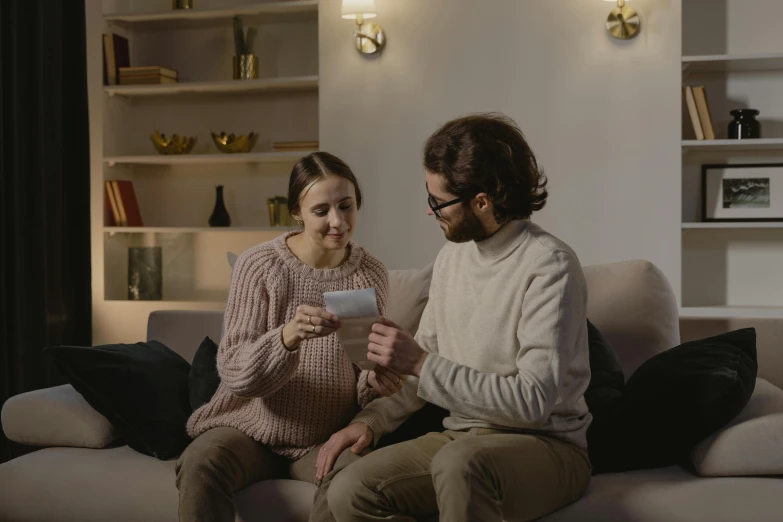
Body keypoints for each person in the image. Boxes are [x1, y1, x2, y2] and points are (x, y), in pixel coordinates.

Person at [324, 113, 593, 522]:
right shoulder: (452, 258)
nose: (431, 212)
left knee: (459, 463)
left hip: (547, 447)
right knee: (348, 491)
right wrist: (372, 421)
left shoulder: (549, 265)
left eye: (439, 201)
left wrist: (418, 361)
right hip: (461, 438)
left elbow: (534, 403)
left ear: (482, 201)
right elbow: (424, 368)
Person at [175, 151, 404, 522]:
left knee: (355, 480)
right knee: (201, 462)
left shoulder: (370, 272)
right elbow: (234, 372)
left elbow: (366, 369)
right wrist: (286, 337)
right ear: (296, 211)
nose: (338, 222)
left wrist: (377, 378)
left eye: (346, 206)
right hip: (249, 430)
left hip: (325, 438)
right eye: (321, 211)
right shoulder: (260, 266)